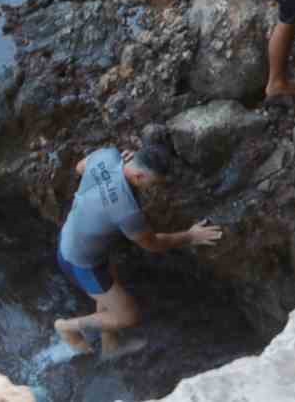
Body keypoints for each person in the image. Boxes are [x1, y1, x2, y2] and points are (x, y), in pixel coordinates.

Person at [52, 143, 221, 356]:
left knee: (108, 291)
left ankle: (110, 344)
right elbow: (153, 244)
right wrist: (190, 236)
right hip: (82, 263)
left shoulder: (108, 154)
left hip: (72, 238)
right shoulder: (127, 211)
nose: (153, 189)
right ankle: (67, 328)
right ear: (139, 176)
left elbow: (79, 167)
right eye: (153, 184)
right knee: (128, 316)